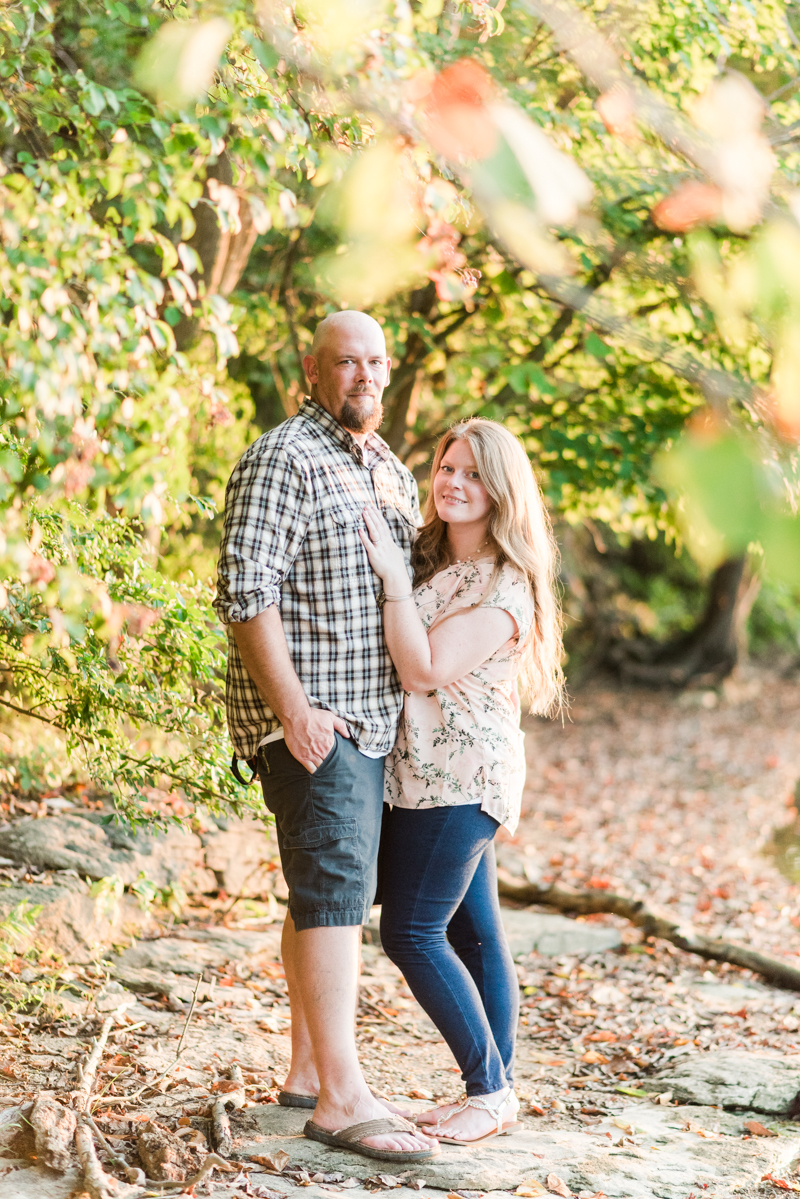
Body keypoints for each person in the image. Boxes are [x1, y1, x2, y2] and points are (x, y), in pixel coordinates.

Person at [213, 310, 438, 1163]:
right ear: (312, 369)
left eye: (376, 360)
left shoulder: (387, 469)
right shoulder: (284, 456)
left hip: (375, 721)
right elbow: (244, 589)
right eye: (347, 362)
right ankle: (342, 1097)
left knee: (325, 889)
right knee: (338, 891)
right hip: (316, 723)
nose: (365, 375)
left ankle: (308, 1070)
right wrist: (294, 710)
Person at [359, 418, 564, 1146]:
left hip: (461, 776)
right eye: (448, 466)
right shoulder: (433, 559)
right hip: (423, 772)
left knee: (410, 931)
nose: (454, 482)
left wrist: (388, 580)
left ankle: (488, 1089)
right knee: (476, 933)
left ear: (501, 490)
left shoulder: (507, 586)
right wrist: (397, 571)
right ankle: (494, 1089)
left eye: (474, 473)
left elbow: (423, 668)